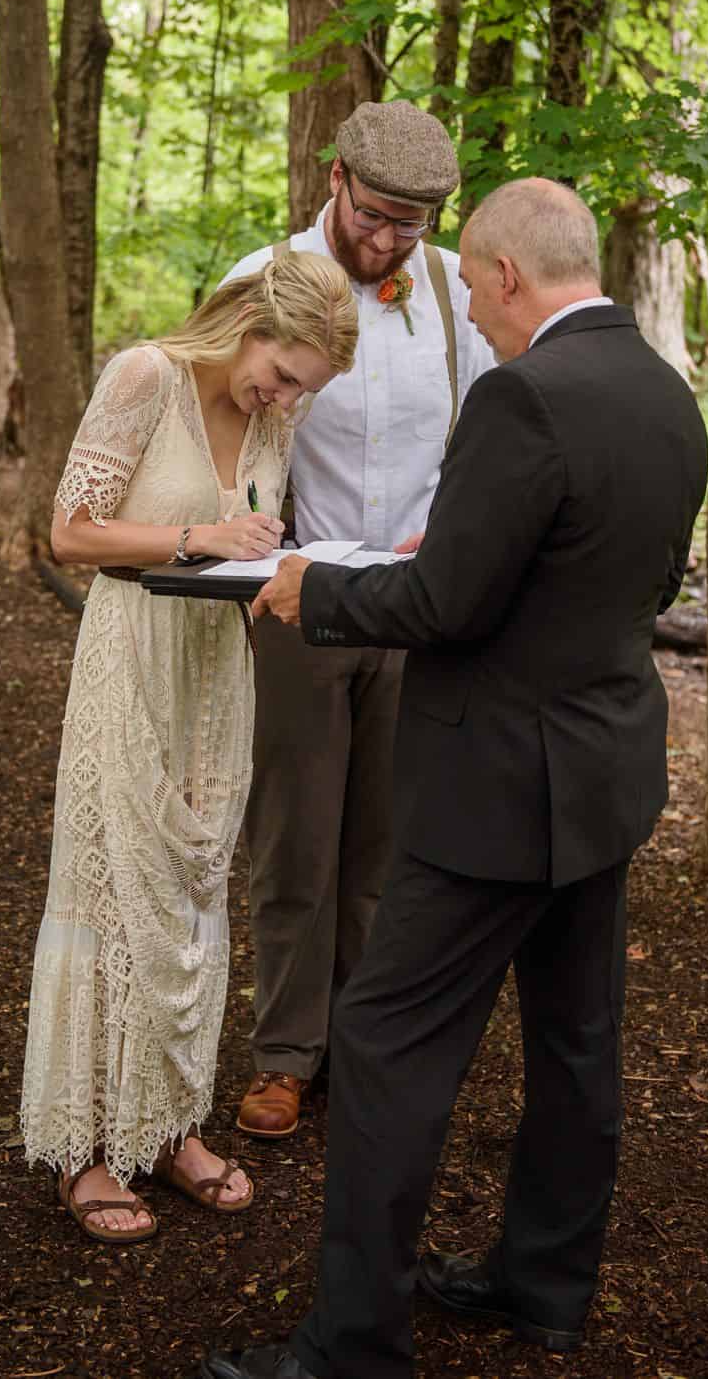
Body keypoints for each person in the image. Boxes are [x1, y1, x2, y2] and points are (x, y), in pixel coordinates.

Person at [202, 179, 708, 1379]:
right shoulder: (663, 391)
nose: (467, 313)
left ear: (504, 276)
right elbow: (632, 579)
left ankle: (350, 1346)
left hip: (494, 789)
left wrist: (316, 588)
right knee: (576, 1045)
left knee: (383, 1043)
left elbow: (443, 604)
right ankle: (543, 1288)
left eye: (473, 289)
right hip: (603, 776)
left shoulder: (521, 396)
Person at [17, 251, 359, 1243]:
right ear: (249, 324)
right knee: (110, 888)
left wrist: (272, 564)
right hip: (132, 655)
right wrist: (195, 538)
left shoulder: (275, 417)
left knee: (192, 895)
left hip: (216, 668)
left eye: (300, 388)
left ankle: (168, 1127)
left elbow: (249, 535)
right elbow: (69, 534)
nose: (283, 398)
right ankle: (84, 1148)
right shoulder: (144, 377)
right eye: (281, 374)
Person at [220, 101, 495, 1143]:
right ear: (333, 177)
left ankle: (365, 1047)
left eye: (407, 225)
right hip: (295, 599)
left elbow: (497, 433)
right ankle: (285, 1055)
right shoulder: (260, 278)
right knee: (294, 838)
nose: (384, 242)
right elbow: (216, 424)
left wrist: (458, 533)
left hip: (417, 607)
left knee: (389, 844)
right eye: (372, 215)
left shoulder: (455, 294)